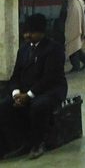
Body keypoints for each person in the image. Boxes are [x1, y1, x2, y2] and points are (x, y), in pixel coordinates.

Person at [0, 14, 67, 160]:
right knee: (4, 106)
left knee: (38, 105)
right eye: (26, 32)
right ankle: (17, 144)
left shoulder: (54, 49)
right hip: (25, 90)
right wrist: (16, 93)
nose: (27, 35)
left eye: (32, 32)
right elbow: (16, 75)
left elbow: (50, 78)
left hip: (51, 89)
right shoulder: (23, 50)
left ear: (42, 32)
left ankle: (37, 143)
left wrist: (29, 95)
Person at [65, 0, 85, 73]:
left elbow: (73, 19)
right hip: (76, 29)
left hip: (74, 30)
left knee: (73, 49)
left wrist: (70, 31)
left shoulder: (74, 3)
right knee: (76, 49)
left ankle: (76, 66)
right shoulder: (76, 1)